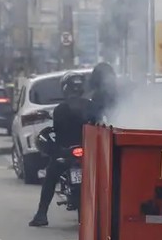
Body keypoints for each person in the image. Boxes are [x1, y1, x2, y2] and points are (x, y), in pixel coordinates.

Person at [30, 63, 117, 227]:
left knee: (50, 177)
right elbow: (100, 125)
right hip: (89, 153)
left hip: (66, 154)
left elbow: (58, 131)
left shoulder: (60, 109)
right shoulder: (92, 106)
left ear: (65, 89)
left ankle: (41, 214)